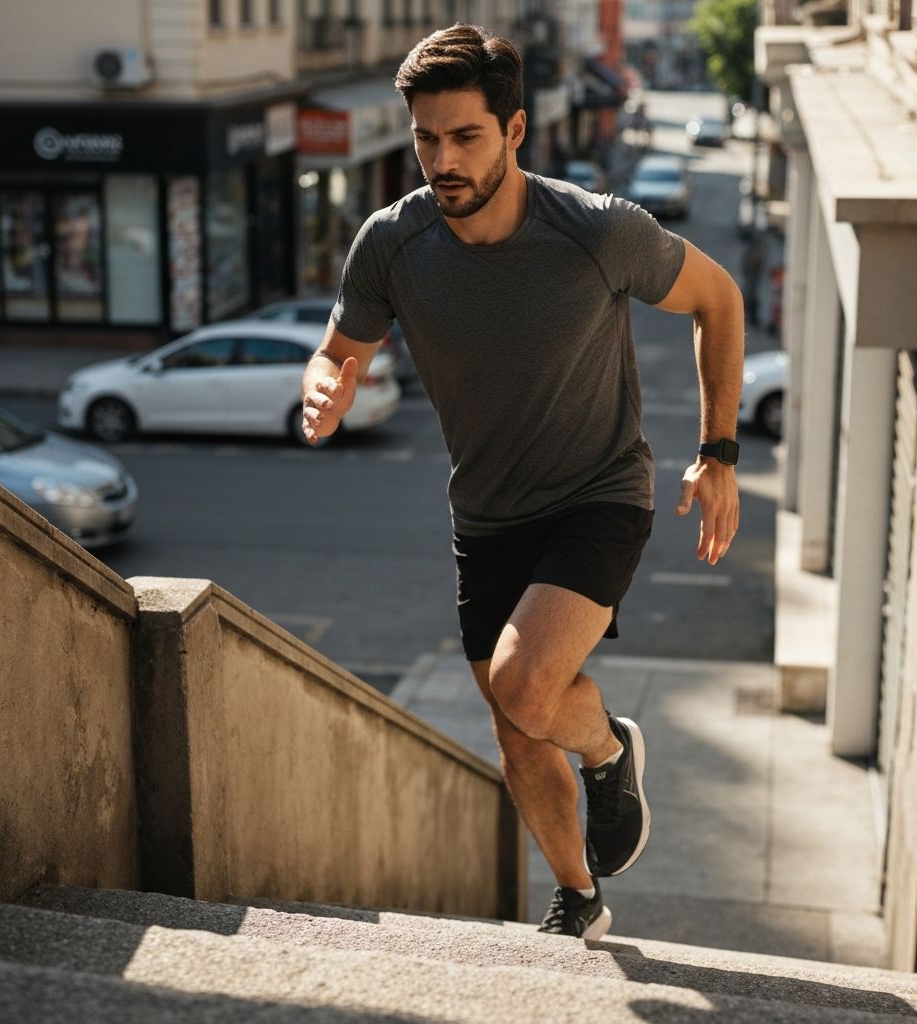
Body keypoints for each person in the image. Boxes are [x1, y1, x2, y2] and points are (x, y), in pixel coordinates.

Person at [301, 24, 744, 941]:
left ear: (514, 131)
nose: (441, 161)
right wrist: (324, 383)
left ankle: (610, 750)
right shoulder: (392, 242)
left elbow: (719, 299)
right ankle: (579, 894)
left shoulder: (596, 232)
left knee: (526, 688)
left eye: (464, 137)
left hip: (599, 492)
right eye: (426, 138)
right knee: (513, 729)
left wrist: (719, 450)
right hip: (487, 512)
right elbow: (340, 352)